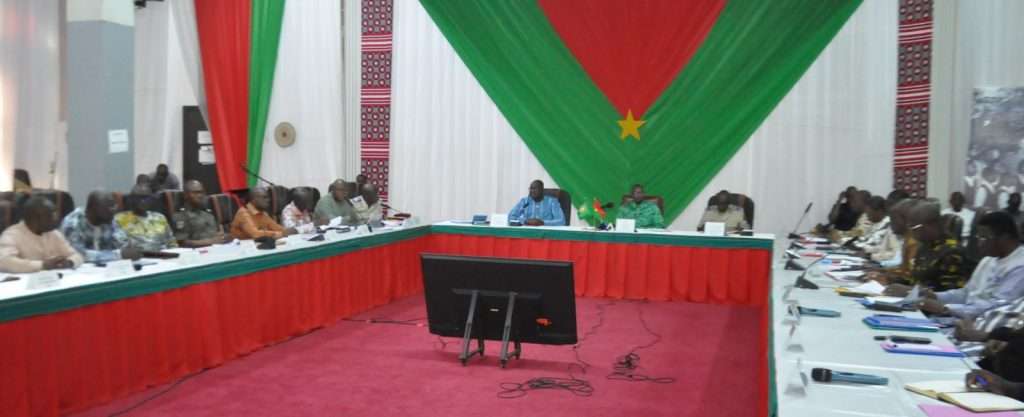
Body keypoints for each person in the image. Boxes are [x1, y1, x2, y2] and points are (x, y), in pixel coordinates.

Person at [916, 212, 1024, 319]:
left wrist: (945, 308)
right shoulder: (988, 259)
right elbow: (966, 293)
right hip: (961, 318)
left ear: (1004, 238)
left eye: (984, 238)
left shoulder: (1020, 266)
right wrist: (935, 296)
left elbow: (997, 307)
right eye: (978, 237)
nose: (979, 243)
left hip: (985, 325)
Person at [882, 201, 971, 294]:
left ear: (932, 225)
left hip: (930, 302)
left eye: (914, 228)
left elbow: (950, 294)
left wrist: (909, 291)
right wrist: (892, 280)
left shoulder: (952, 253)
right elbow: (915, 281)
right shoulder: (924, 247)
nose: (911, 232)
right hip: (915, 299)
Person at [0, 197, 83, 273]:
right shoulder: (11, 235)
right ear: (34, 219)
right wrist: (42, 265)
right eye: (50, 216)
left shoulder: (54, 233)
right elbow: (4, 262)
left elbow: (77, 255)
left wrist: (69, 262)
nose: (55, 219)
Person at [61, 191, 141, 262]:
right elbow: (78, 254)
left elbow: (123, 243)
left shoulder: (108, 219)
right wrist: (118, 255)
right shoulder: (73, 223)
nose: (114, 209)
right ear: (94, 208)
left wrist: (131, 249)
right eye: (109, 206)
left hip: (109, 269)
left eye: (114, 205)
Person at [113, 184, 178, 251]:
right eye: (138, 198)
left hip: (163, 255)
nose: (143, 201)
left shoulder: (160, 217)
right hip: (136, 255)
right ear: (131, 199)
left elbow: (171, 242)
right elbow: (121, 244)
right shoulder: (120, 218)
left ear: (151, 199)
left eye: (146, 197)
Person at [172, 180, 230, 247]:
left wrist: (224, 237)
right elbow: (182, 243)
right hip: (196, 251)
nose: (200, 195)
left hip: (216, 248)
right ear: (186, 195)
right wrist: (210, 241)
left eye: (201, 192)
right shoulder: (180, 216)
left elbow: (217, 235)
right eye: (195, 193)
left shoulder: (209, 215)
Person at [864, 199, 916, 268]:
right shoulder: (906, 238)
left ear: (907, 220)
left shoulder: (913, 242)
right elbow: (896, 258)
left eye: (894, 219)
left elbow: (899, 263)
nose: (891, 224)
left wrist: (878, 264)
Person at [230, 187, 294, 239]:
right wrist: (281, 233)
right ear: (253, 200)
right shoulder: (243, 213)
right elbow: (255, 234)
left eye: (268, 197)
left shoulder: (263, 213)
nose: (268, 200)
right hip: (241, 247)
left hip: (255, 245)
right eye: (264, 197)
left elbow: (275, 227)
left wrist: (288, 231)